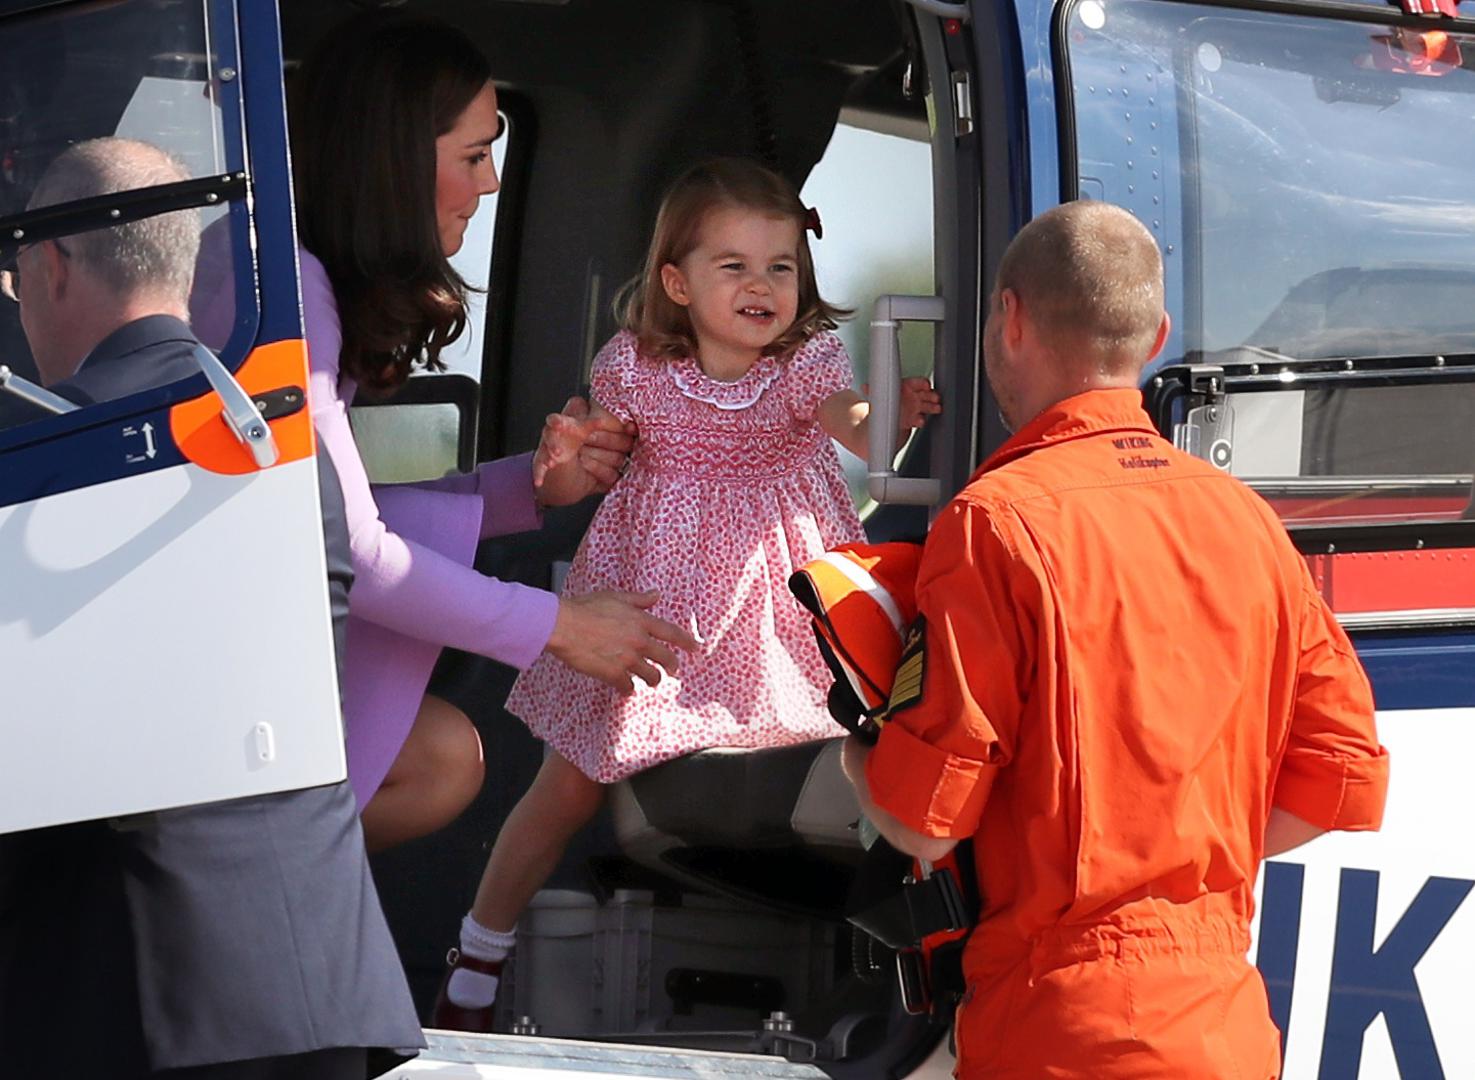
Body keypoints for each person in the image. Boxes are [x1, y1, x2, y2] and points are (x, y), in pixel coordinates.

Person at [842, 201, 1390, 1078]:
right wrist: (1168, 864)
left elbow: (923, 823)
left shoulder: (993, 525)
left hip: (1057, 1036)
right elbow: (1335, 778)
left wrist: (856, 755)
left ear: (1010, 318)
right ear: (1158, 334)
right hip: (1226, 1034)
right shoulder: (1248, 522)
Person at [431, 157, 942, 1029]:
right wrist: (563, 459)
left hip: (775, 602)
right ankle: (480, 948)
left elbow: (849, 422)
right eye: (733, 266)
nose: (761, 286)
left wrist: (888, 417)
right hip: (656, 607)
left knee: (862, 755)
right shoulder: (634, 368)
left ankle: (916, 961)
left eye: (780, 267)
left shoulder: (804, 362)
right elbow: (590, 462)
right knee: (568, 783)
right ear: (676, 280)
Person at [0, 137, 423, 1078]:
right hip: (316, 986)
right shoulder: (278, 445)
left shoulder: (49, 458)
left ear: (48, 264)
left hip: (135, 996)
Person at [290, 13, 699, 851]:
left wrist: (533, 486)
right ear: (395, 164)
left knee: (444, 757)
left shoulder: (305, 285)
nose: (491, 184)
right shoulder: (292, 299)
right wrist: (561, 627)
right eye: (473, 156)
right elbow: (346, 551)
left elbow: (330, 516)